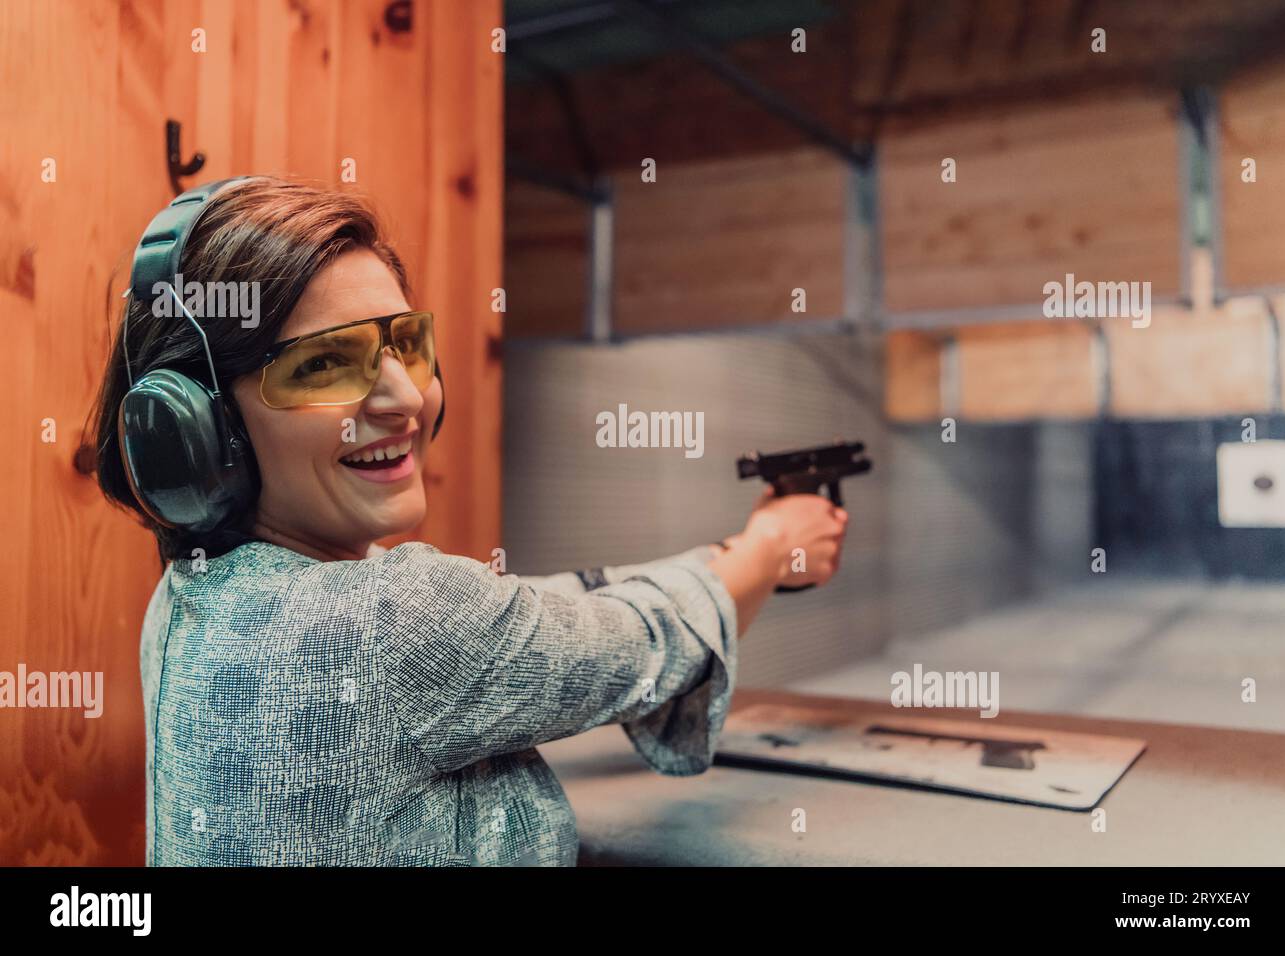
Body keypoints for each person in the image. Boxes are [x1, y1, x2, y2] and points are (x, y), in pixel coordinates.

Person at [90, 176, 849, 866]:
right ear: (197, 432)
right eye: (325, 363)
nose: (407, 398)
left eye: (405, 345)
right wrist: (769, 547)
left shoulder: (188, 601)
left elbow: (528, 617)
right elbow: (635, 643)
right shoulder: (395, 621)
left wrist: (726, 552)